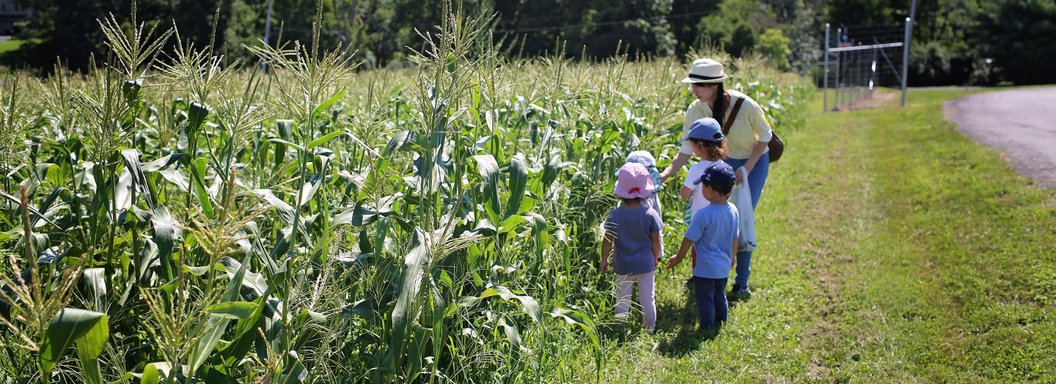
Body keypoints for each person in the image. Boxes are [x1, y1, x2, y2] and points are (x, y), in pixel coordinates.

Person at [660, 57, 773, 296]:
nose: (693, 90)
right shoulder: (695, 109)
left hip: (751, 161)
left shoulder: (745, 105)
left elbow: (765, 137)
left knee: (740, 219)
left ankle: (741, 282)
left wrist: (746, 170)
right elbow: (686, 149)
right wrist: (667, 173)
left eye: (698, 85)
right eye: (693, 85)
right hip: (721, 163)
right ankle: (704, 273)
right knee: (708, 218)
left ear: (714, 85)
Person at [665, 162, 739, 331]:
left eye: (703, 186)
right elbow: (735, 236)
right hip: (723, 265)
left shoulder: (703, 215)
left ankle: (706, 326)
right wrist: (732, 257)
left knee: (705, 297)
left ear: (710, 190)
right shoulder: (733, 210)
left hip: (704, 267)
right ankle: (721, 321)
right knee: (720, 295)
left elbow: (688, 239)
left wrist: (678, 257)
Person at [600, 162, 663, 333]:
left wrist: (604, 260)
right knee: (647, 299)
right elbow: (656, 240)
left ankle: (620, 328)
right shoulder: (650, 214)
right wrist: (656, 257)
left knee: (622, 299)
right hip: (645, 265)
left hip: (622, 266)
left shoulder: (614, 215)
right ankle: (649, 328)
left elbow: (607, 240)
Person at [679, 117, 728, 219]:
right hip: (719, 219)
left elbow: (684, 195)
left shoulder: (696, 170)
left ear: (700, 144)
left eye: (691, 143)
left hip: (701, 221)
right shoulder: (725, 168)